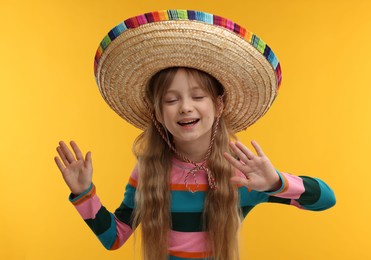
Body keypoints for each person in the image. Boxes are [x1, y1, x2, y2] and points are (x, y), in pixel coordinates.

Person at [54, 10, 336, 260]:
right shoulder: (148, 170)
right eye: (170, 100)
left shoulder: (243, 174)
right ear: (157, 112)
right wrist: (84, 193)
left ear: (219, 104)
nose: (185, 107)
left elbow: (326, 198)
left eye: (198, 95)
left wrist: (275, 181)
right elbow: (115, 238)